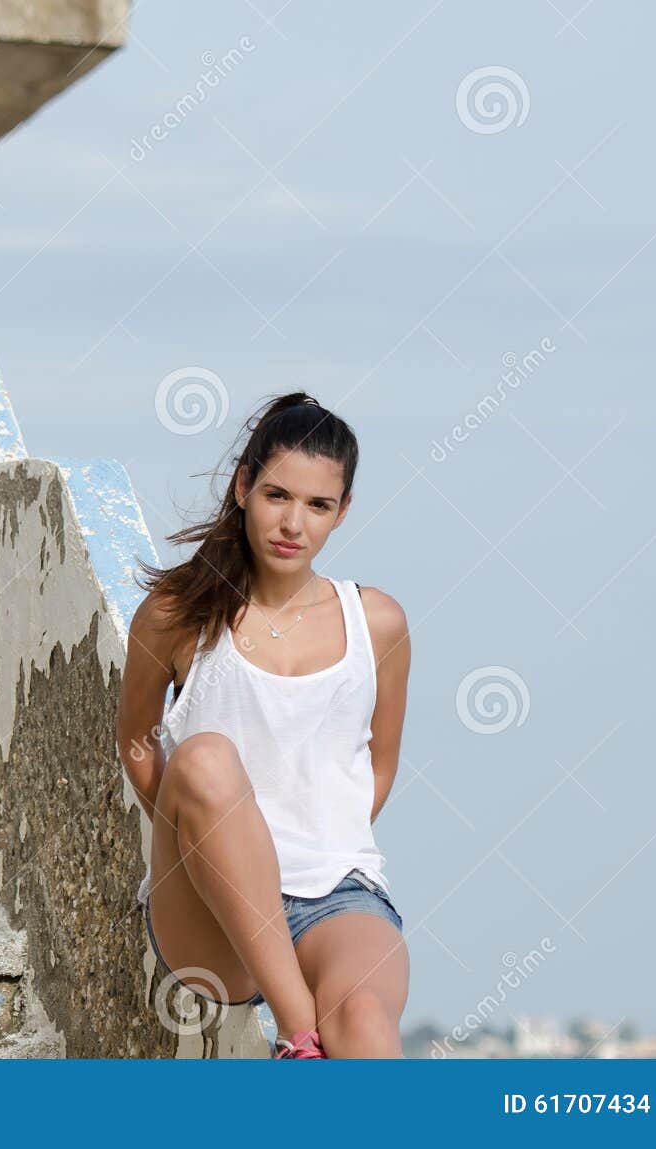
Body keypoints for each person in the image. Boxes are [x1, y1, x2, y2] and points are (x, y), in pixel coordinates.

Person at [116, 392, 412, 1059]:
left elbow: (382, 762)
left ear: (343, 511)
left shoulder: (379, 623)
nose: (293, 523)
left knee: (364, 1020)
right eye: (278, 494)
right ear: (244, 486)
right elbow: (137, 740)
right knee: (205, 758)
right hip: (209, 913)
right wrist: (192, 829)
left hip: (336, 891)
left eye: (318, 505)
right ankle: (299, 1032)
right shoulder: (176, 614)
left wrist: (326, 831)